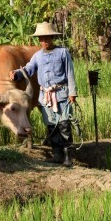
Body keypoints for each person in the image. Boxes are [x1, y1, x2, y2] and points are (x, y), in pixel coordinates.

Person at [10, 22, 77, 166]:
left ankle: (67, 156)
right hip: (45, 96)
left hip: (61, 94)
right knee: (51, 126)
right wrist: (16, 74)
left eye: (47, 38)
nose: (44, 41)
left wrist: (72, 92)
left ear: (52, 37)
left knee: (64, 124)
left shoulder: (63, 52)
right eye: (41, 38)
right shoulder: (37, 56)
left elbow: (70, 73)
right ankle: (57, 154)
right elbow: (28, 69)